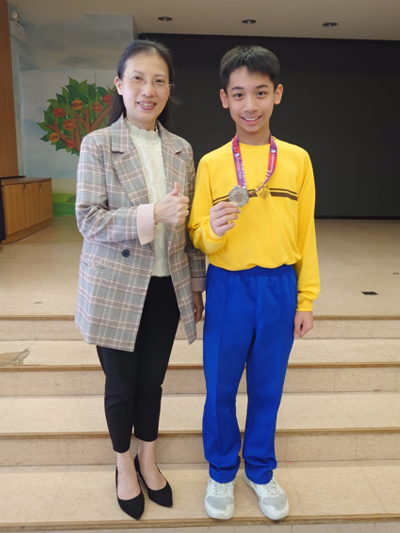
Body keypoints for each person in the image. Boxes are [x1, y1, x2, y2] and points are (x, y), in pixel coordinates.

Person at [188, 45, 320, 521]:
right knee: (221, 388)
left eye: (260, 93)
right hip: (228, 287)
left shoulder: (298, 160)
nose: (250, 105)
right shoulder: (211, 163)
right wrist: (212, 230)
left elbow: (306, 234)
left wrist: (305, 299)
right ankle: (222, 470)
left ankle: (260, 470)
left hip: (279, 288)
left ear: (277, 94)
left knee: (268, 389)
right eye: (239, 94)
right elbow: (196, 233)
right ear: (224, 98)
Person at [75, 40, 206, 520]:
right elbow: (89, 219)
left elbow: (189, 229)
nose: (147, 90)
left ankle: (148, 458)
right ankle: (123, 466)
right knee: (121, 386)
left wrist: (196, 287)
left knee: (152, 382)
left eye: (158, 81)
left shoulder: (181, 149)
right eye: (137, 78)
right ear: (119, 84)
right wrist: (152, 213)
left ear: (169, 89)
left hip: (166, 287)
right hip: (115, 288)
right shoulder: (97, 144)